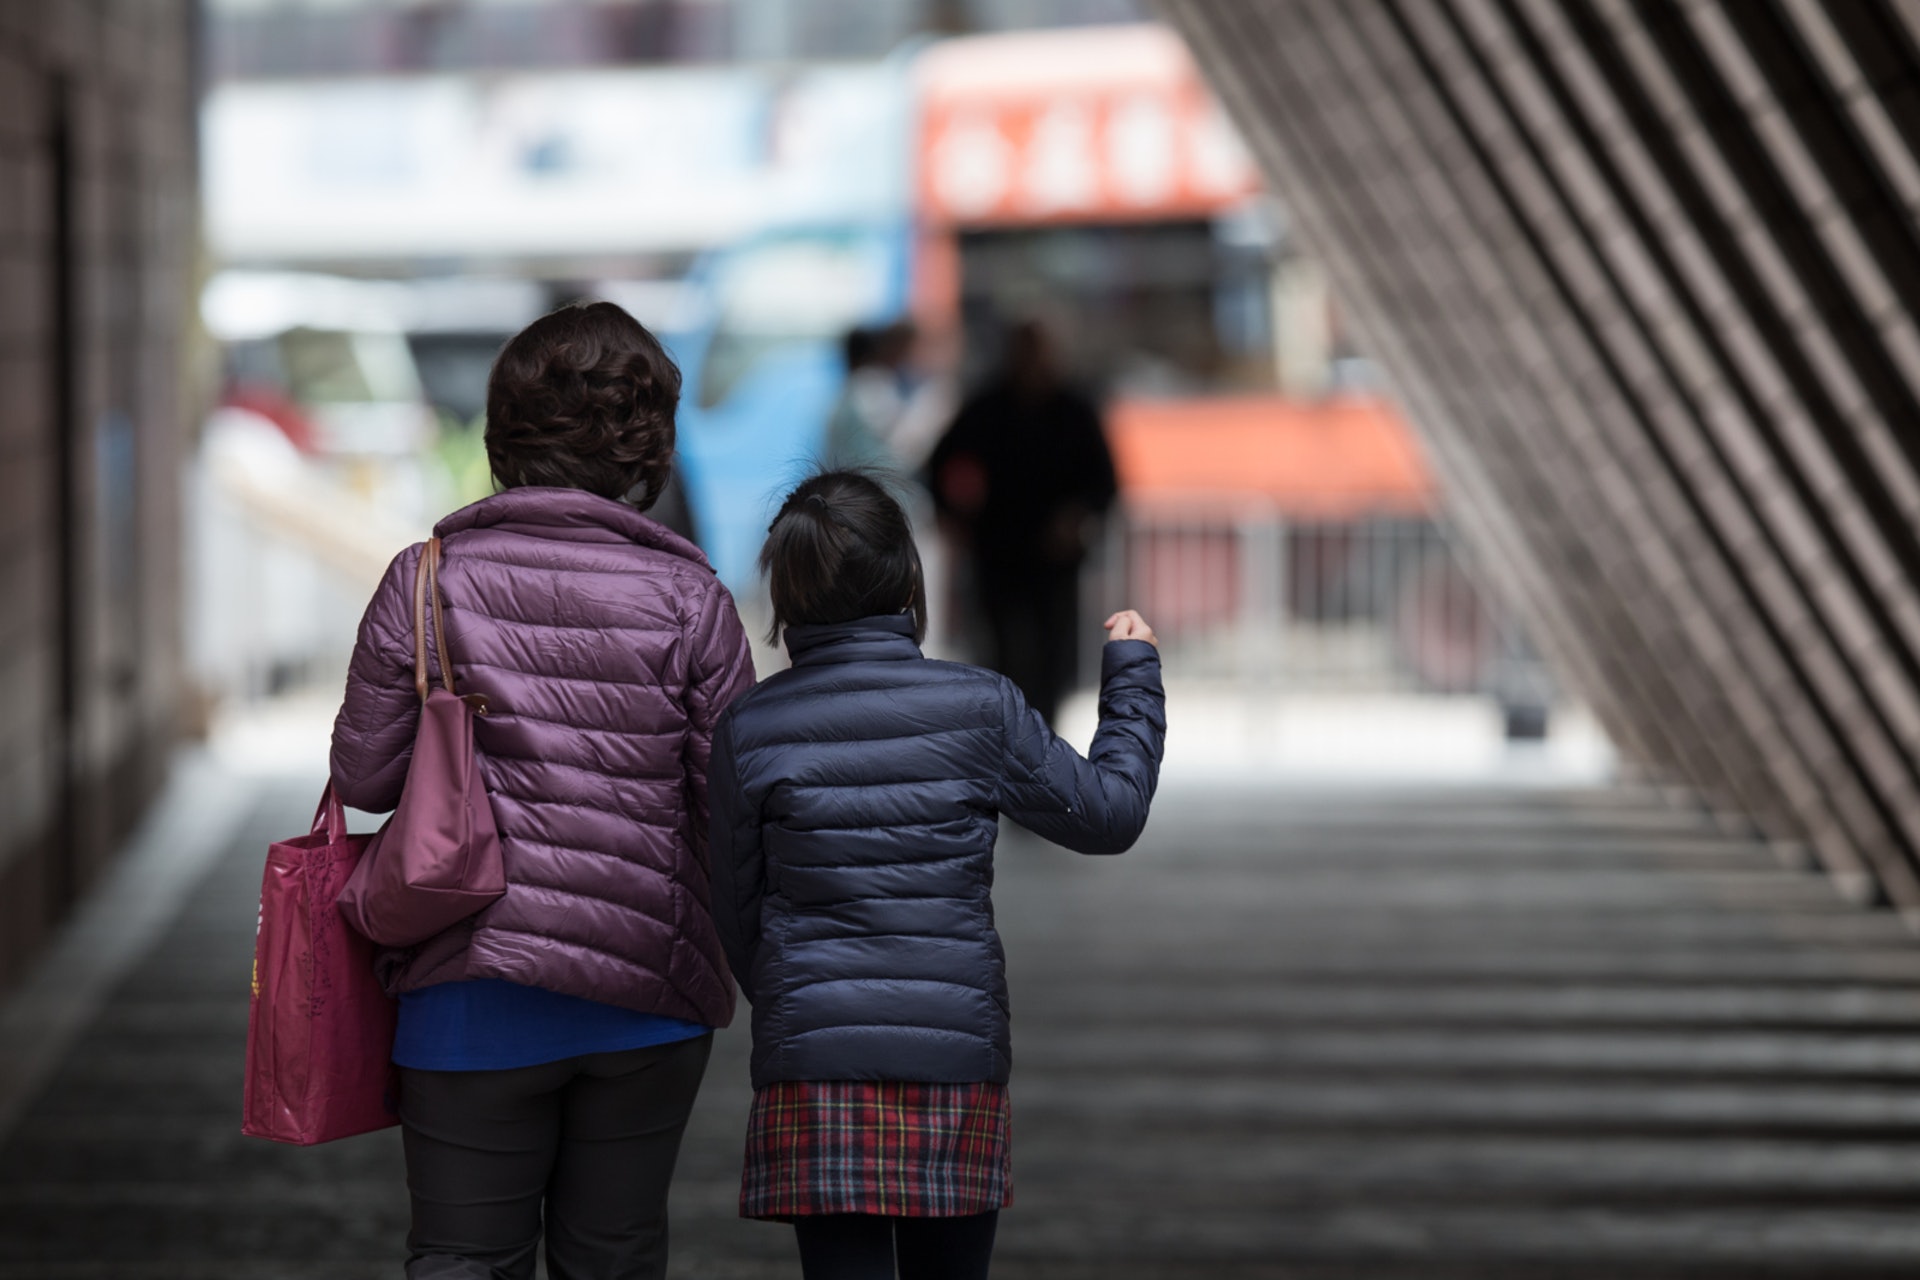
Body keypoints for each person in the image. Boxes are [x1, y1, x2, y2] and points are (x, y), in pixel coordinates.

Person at [329, 300, 756, 1280]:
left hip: (470, 986)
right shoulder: (693, 598)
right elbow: (733, 802)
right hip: (651, 988)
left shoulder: (425, 580)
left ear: (504, 434)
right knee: (613, 1255)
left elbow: (365, 774)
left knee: (461, 1256)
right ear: (648, 443)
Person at [707, 470, 1166, 1280]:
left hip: (815, 1070)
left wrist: (794, 997)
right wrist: (1130, 675)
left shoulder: (751, 726)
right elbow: (1109, 814)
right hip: (952, 1067)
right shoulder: (978, 707)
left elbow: (735, 906)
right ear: (910, 579)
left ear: (786, 595)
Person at [928, 319, 1119, 725]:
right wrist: (954, 519)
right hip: (998, 551)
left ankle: (1044, 734)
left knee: (1054, 655)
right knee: (1000, 653)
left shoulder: (1074, 410)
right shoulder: (988, 407)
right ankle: (1008, 733)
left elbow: (1106, 483)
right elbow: (937, 464)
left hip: (1055, 559)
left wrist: (1078, 518)